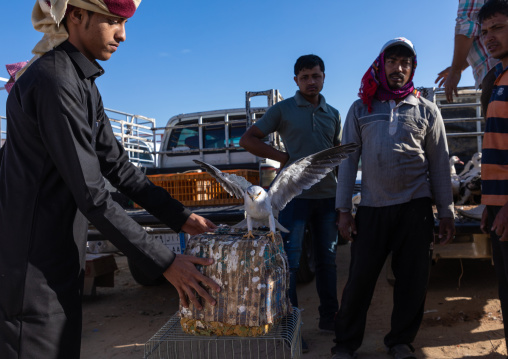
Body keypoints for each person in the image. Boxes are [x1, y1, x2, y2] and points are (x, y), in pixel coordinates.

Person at [0, 1, 221, 358]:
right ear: (76, 15)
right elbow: (92, 193)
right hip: (32, 270)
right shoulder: (53, 80)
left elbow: (119, 168)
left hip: (57, 262)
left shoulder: (81, 81)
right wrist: (166, 263)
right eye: (114, 21)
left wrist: (182, 218)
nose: (122, 34)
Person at [332, 37, 455, 359]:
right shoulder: (361, 108)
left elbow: (440, 163)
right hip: (372, 208)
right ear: (380, 64)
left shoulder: (426, 110)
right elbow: (347, 160)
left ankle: (400, 341)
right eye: (392, 61)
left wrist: (446, 212)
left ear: (413, 68)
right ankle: (345, 344)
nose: (398, 68)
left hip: (415, 208)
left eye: (406, 63)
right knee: (359, 281)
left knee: (412, 282)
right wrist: (344, 209)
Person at [240, 54, 342, 352]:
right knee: (290, 264)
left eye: (317, 76)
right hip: (293, 200)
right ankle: (292, 327)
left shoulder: (332, 113)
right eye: (305, 77)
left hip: (327, 198)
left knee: (328, 260)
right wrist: (282, 158)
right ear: (296, 80)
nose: (312, 81)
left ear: (324, 77)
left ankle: (330, 318)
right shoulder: (283, 109)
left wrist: (344, 197)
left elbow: (336, 156)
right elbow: (248, 139)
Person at [478, 0, 508, 350]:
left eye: (498, 27)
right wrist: (490, 202)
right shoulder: (497, 77)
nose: (488, 37)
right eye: (484, 32)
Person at [435, 0, 499, 114]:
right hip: (498, 67)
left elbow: (467, 26)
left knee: (498, 128)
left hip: (496, 73)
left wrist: (456, 70)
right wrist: (460, 66)